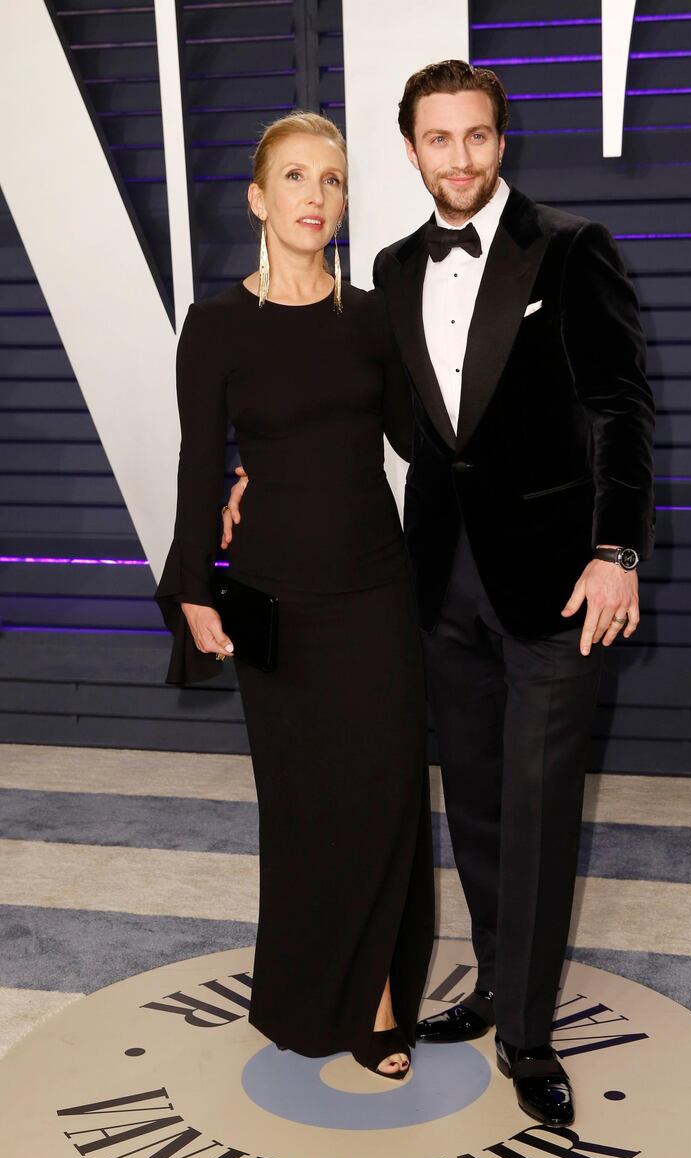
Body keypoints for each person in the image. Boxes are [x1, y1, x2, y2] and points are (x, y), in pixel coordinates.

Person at [224, 62, 655, 1125]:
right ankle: (498, 981)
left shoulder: (569, 248)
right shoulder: (384, 269)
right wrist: (254, 476)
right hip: (434, 582)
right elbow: (376, 418)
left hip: (556, 579)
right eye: (436, 139)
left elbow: (620, 408)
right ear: (409, 149)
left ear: (499, 142)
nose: (457, 158)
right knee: (473, 802)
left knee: (542, 803)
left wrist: (617, 550)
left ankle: (527, 1033)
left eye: (475, 137)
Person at [155, 111, 433, 1080]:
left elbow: (415, 440)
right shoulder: (218, 325)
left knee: (385, 797)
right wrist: (194, 587)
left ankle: (378, 998)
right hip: (275, 597)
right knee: (303, 805)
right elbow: (201, 465)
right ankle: (299, 993)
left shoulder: (369, 319)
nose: (315, 198)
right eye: (297, 179)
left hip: (375, 593)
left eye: (332, 181)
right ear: (257, 197)